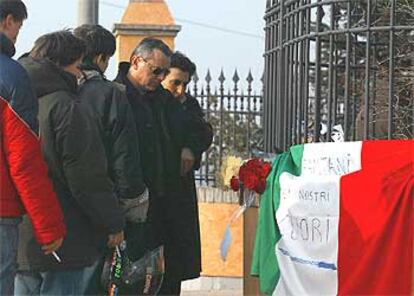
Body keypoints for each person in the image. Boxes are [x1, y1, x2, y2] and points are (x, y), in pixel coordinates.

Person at [14, 30, 125, 295]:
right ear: (61, 64)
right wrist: (112, 222)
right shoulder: (66, 107)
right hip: (64, 233)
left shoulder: (14, 98)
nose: (80, 74)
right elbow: (86, 177)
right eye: (77, 65)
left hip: (22, 232)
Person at [114, 38, 209, 295]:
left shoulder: (164, 100)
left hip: (165, 208)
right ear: (136, 62)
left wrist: (190, 146)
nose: (161, 78)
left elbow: (197, 128)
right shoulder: (116, 95)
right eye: (158, 72)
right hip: (130, 207)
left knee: (165, 280)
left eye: (164, 73)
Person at [74, 24, 148, 294]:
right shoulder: (110, 95)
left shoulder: (48, 87)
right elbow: (124, 159)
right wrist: (129, 213)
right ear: (102, 59)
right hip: (100, 206)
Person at [0, 1, 66, 295]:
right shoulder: (11, 76)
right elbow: (23, 160)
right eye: (19, 27)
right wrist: (48, 226)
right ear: (8, 21)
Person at [161, 50, 213, 283]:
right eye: (175, 83)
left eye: (185, 84)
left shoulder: (188, 106)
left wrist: (190, 147)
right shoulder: (145, 102)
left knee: (174, 270)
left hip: (179, 195)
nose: (180, 90)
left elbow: (203, 131)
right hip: (153, 196)